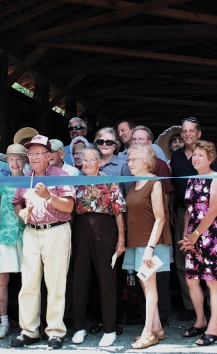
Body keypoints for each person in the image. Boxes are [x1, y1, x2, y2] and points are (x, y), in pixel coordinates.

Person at [10, 135, 74, 349]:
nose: (34, 157)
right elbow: (16, 202)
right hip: (31, 231)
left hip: (56, 230)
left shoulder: (61, 175)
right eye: (31, 153)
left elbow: (69, 207)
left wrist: (49, 196)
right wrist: (21, 215)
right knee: (28, 283)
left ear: (49, 156)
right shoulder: (27, 177)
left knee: (55, 283)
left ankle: (55, 331)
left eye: (38, 153)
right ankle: (29, 330)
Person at [169, 117, 217, 320]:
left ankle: (215, 311)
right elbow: (174, 185)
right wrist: (174, 211)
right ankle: (192, 308)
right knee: (186, 264)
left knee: (211, 269)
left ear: (199, 133)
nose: (188, 134)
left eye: (192, 130)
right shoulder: (176, 157)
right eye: (184, 131)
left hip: (210, 219)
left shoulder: (213, 161)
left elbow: (215, 202)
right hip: (186, 212)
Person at [71, 146, 126, 348]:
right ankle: (79, 327)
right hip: (80, 229)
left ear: (100, 162)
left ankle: (110, 328)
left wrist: (121, 239)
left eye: (91, 160)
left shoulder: (110, 181)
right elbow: (71, 211)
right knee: (79, 278)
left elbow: (119, 210)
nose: (86, 164)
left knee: (107, 278)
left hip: (105, 229)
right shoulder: (76, 181)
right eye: (83, 160)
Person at [178, 140, 217, 346]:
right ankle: (200, 320)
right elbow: (189, 210)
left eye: (201, 155)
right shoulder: (192, 180)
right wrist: (186, 235)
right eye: (194, 154)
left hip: (211, 236)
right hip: (193, 236)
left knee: (212, 281)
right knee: (191, 280)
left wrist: (196, 234)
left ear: (210, 158)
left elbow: (213, 210)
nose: (196, 158)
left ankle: (214, 327)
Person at [123, 144, 171, 350]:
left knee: (150, 288)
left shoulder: (155, 183)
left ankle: (148, 333)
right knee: (144, 285)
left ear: (146, 161)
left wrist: (150, 249)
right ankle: (158, 328)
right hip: (136, 243)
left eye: (133, 159)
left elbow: (160, 219)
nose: (129, 163)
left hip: (150, 244)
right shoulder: (135, 184)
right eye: (128, 160)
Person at [0, 144, 29, 339]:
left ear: (25, 162)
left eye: (18, 159)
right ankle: (4, 322)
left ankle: (27, 323)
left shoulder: (32, 182)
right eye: (11, 159)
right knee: (1, 279)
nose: (14, 163)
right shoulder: (1, 182)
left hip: (27, 235)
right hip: (5, 234)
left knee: (28, 281)